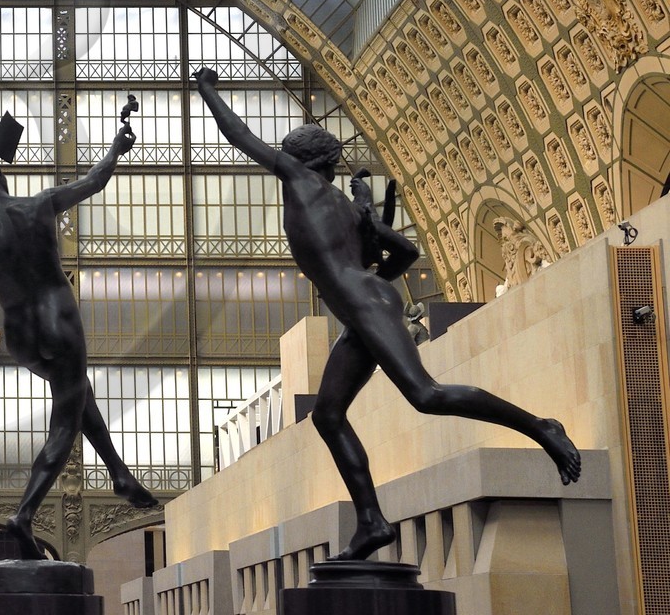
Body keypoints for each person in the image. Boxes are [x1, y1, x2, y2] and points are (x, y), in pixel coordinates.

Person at [191, 67, 581, 561]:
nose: (280, 163)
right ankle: (371, 522)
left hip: (364, 303)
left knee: (426, 394)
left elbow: (240, 135)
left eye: (287, 156)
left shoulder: (302, 182)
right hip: (364, 306)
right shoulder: (351, 210)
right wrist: (373, 266)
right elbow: (405, 254)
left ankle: (541, 427)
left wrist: (207, 90)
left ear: (302, 162)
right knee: (327, 416)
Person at [0, 123, 158, 560]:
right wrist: (116, 148)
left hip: (21, 336)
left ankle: (119, 472)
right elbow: (94, 181)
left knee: (77, 393)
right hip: (58, 320)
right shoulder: (39, 205)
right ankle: (25, 514)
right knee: (65, 419)